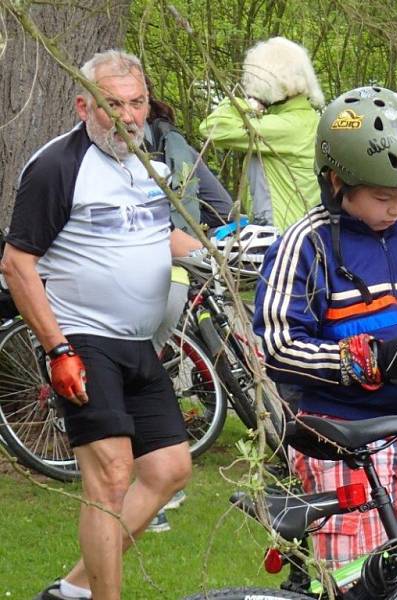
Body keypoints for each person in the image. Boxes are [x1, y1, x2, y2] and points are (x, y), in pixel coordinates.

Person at [253, 86, 397, 570]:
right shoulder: (306, 245)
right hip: (338, 440)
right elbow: (276, 345)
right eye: (383, 197)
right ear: (337, 182)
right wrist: (370, 359)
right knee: (361, 579)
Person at [1, 49, 192, 600]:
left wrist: (220, 249)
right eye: (114, 104)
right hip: (82, 338)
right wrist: (58, 349)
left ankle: (71, 590)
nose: (129, 117)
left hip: (138, 341)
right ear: (84, 104)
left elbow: (156, 236)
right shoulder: (59, 165)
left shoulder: (143, 159)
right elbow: (17, 263)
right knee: (109, 479)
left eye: (137, 104)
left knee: (169, 470)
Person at [145, 83, 234, 532]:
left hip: (143, 272)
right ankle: (161, 485)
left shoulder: (117, 148)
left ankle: (153, 490)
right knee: (152, 373)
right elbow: (219, 204)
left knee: (134, 378)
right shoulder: (177, 143)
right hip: (180, 271)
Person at [199, 36, 323, 232]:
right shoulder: (307, 119)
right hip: (303, 233)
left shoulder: (285, 127)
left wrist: (250, 102)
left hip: (281, 236)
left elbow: (212, 127)